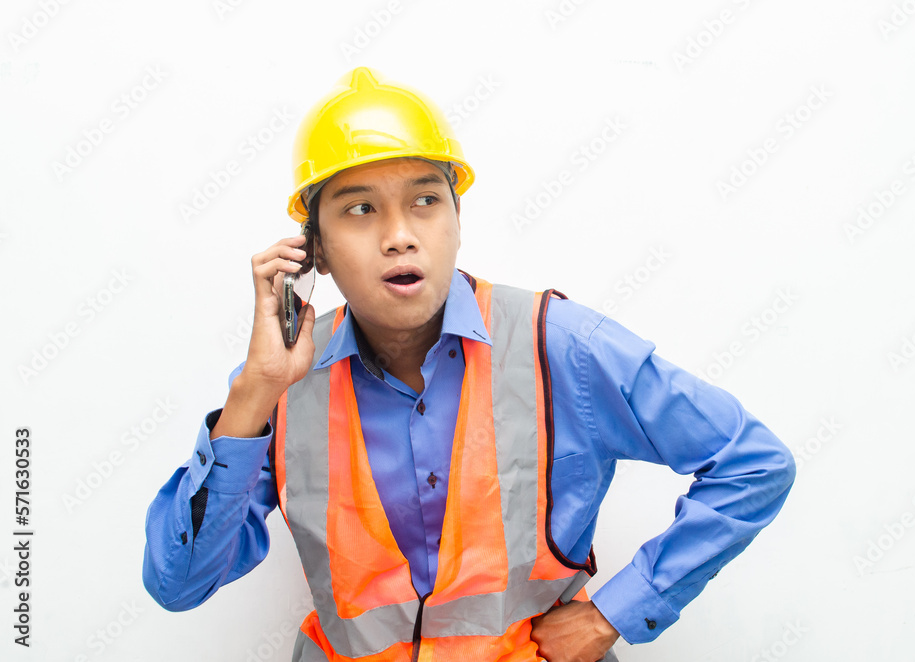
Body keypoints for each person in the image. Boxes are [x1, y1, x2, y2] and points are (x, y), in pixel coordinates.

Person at [142, 66, 796, 662]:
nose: (400, 235)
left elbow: (753, 463)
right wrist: (256, 390)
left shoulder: (559, 346)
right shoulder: (280, 387)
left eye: (425, 201)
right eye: (360, 210)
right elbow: (179, 584)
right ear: (315, 251)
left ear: (458, 219)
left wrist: (612, 615)